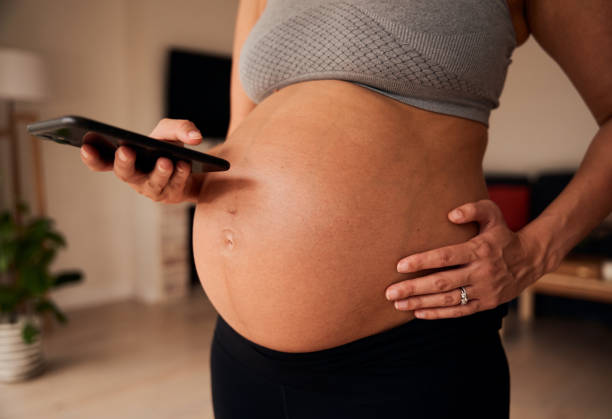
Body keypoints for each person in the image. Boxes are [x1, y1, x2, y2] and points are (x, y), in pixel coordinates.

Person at [80, 0, 612, 417]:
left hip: (409, 351)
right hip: (239, 354)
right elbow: (236, 147)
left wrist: (536, 251)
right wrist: (181, 175)